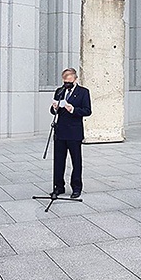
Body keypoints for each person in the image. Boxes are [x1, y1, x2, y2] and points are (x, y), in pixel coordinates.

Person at [50, 68, 92, 198]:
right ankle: (59, 186)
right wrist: (54, 107)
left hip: (74, 131)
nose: (66, 84)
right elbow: (53, 112)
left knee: (76, 161)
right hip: (60, 131)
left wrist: (73, 109)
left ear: (75, 79)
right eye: (64, 81)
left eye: (69, 81)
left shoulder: (83, 92)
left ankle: (76, 187)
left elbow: (87, 111)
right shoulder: (60, 91)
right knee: (58, 161)